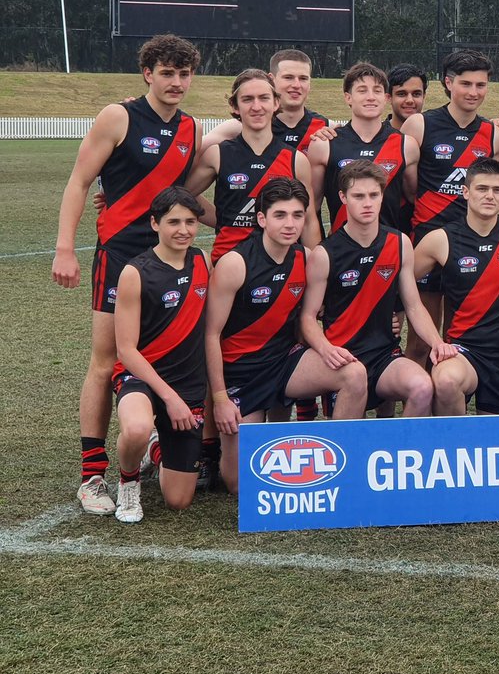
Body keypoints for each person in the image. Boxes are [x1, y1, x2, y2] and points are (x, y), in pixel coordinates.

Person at [53, 34, 202, 514]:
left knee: (169, 351)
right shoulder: (118, 116)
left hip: (169, 259)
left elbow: (179, 195)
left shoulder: (191, 128)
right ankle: (92, 477)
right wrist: (64, 249)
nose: (176, 82)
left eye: (184, 74)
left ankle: (156, 438)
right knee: (105, 361)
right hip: (118, 255)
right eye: (167, 73)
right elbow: (79, 181)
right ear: (148, 74)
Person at [205, 178, 369, 495]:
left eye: (297, 215)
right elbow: (210, 335)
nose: (290, 224)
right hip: (240, 372)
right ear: (262, 218)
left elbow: (336, 302)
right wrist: (220, 399)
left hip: (284, 362)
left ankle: (339, 471)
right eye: (280, 215)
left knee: (354, 374)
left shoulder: (305, 258)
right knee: (239, 485)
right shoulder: (235, 264)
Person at [301, 161, 454, 416]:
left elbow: (414, 306)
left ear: (383, 196)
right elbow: (308, 316)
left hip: (384, 356)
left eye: (374, 195)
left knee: (422, 387)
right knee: (347, 439)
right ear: (343, 198)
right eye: (358, 196)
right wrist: (327, 350)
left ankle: (401, 452)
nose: (367, 203)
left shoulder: (399, 243)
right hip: (343, 358)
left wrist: (437, 342)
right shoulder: (325, 254)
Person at [109, 187, 210, 523]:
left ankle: (155, 447)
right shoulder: (135, 273)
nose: (183, 230)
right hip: (141, 377)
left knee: (178, 501)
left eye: (191, 222)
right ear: (155, 223)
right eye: (173, 222)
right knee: (136, 427)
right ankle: (128, 483)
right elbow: (126, 350)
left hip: (188, 385)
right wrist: (168, 397)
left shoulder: (202, 260)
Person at [413, 159, 499, 415]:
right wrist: (431, 338)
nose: (489, 196)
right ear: (466, 191)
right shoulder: (440, 239)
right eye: (482, 189)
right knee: (447, 380)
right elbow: (397, 285)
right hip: (462, 350)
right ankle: (453, 443)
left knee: (497, 438)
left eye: (497, 190)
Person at [401, 49, 499, 363]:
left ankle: (448, 404)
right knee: (422, 342)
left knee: (459, 339)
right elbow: (407, 188)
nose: (474, 92)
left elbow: (493, 188)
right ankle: (412, 409)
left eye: (481, 85)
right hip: (428, 244)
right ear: (448, 83)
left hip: (472, 248)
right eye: (466, 84)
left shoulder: (492, 134)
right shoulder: (420, 125)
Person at [185, 69, 320, 262]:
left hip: (279, 268)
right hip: (226, 264)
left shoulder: (296, 160)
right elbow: (183, 194)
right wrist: (221, 219)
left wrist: (314, 266)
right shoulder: (217, 155)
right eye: (248, 99)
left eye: (264, 98)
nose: (256, 106)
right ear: (235, 106)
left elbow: (308, 222)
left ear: (276, 103)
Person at [307, 62, 410, 233]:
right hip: (341, 249)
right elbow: (312, 208)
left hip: (388, 249)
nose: (370, 97)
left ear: (386, 98)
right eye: (362, 90)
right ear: (348, 97)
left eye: (377, 90)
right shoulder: (324, 144)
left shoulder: (406, 145)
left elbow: (412, 200)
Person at [202, 49, 328, 153]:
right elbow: (192, 153)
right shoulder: (238, 127)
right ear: (271, 80)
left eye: (303, 78)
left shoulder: (326, 128)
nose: (296, 85)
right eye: (288, 77)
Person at [385, 63, 428, 235]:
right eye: (402, 94)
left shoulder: (436, 134)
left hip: (426, 228)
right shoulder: (376, 136)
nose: (410, 100)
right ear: (389, 97)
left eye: (416, 94)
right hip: (386, 229)